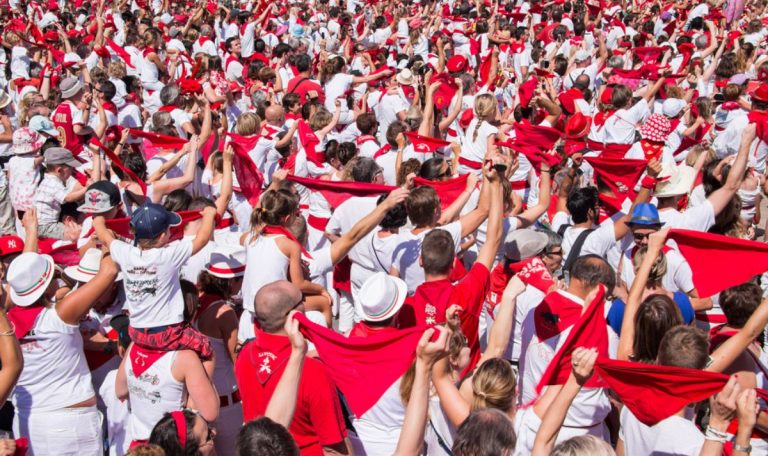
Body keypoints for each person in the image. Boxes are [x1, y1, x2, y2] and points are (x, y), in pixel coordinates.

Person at [235, 280, 351, 455]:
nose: (305, 304)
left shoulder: (244, 356)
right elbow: (334, 447)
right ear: (293, 315)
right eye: (302, 299)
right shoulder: (313, 371)